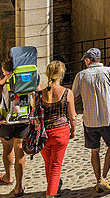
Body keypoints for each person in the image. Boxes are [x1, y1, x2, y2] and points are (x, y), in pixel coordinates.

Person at [71, 47, 110, 193]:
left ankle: (97, 180)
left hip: (90, 121)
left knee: (94, 151)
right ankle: (104, 177)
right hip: (109, 119)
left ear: (88, 60)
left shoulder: (81, 76)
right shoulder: (109, 71)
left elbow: (73, 97)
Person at [0, 57, 29, 195]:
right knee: (19, 150)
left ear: (6, 71)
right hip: (23, 119)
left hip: (8, 119)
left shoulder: (2, 80)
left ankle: (8, 177)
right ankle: (19, 186)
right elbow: (38, 94)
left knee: (7, 149)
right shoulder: (28, 78)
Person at [39, 60, 76, 198]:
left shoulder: (40, 93)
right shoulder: (67, 93)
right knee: (55, 166)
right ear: (61, 74)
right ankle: (51, 194)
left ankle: (53, 189)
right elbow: (73, 117)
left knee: (49, 164)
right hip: (60, 132)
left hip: (43, 134)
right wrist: (73, 130)